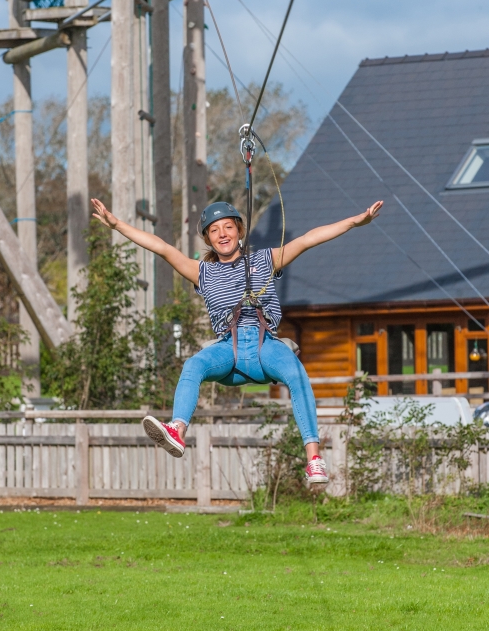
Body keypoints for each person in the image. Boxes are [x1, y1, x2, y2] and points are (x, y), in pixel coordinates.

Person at [91, 196, 383, 485]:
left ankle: (314, 459)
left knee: (296, 372)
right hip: (226, 351)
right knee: (193, 365)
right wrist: (117, 224)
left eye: (228, 227)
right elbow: (162, 248)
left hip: (264, 346)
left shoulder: (265, 260)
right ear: (208, 238)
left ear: (239, 231)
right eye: (215, 230)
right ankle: (177, 429)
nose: (222, 234)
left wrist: (356, 222)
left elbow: (308, 239)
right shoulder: (202, 272)